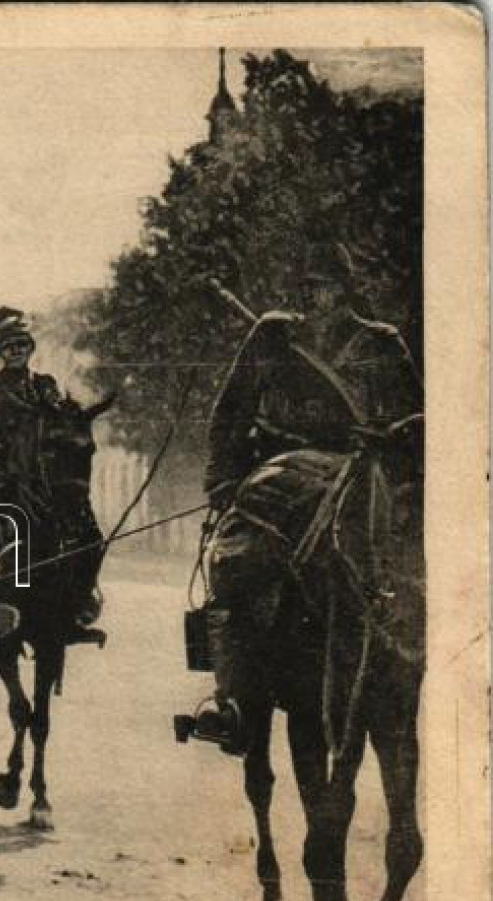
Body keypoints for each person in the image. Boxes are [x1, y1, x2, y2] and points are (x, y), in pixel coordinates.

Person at [191, 246, 423, 749]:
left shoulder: (381, 343)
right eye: (306, 286)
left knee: (403, 575)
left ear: (345, 290)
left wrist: (390, 437)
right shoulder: (274, 333)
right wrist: (223, 481)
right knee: (230, 561)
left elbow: (418, 419)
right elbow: (230, 412)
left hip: (358, 474)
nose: (311, 296)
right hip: (276, 478)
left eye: (322, 285)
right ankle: (231, 699)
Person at [0, 307, 102, 632]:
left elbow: (61, 424)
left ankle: (77, 601)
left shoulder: (45, 386)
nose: (15, 351)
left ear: (30, 348)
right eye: (8, 346)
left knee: (87, 532)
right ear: (0, 351)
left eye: (21, 344)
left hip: (40, 473)